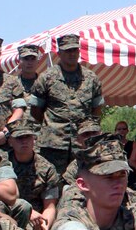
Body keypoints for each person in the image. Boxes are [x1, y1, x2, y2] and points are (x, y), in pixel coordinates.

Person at [29, 35, 104, 174]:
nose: (72, 54)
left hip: (82, 143)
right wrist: (51, 126)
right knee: (52, 183)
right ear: (59, 53)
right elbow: (35, 110)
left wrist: (89, 129)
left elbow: (97, 109)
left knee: (84, 181)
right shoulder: (46, 77)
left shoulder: (91, 78)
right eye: (67, 51)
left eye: (75, 50)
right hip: (53, 144)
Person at [7, 120, 62, 230]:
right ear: (10, 142)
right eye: (19, 138)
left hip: (36, 220)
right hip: (7, 213)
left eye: (28, 137)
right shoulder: (1, 164)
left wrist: (44, 226)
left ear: (34, 140)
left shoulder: (47, 168)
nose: (24, 141)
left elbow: (50, 206)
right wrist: (26, 211)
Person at [0, 37, 25, 150]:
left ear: (0, 54)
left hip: (7, 142)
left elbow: (19, 108)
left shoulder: (11, 81)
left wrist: (6, 132)